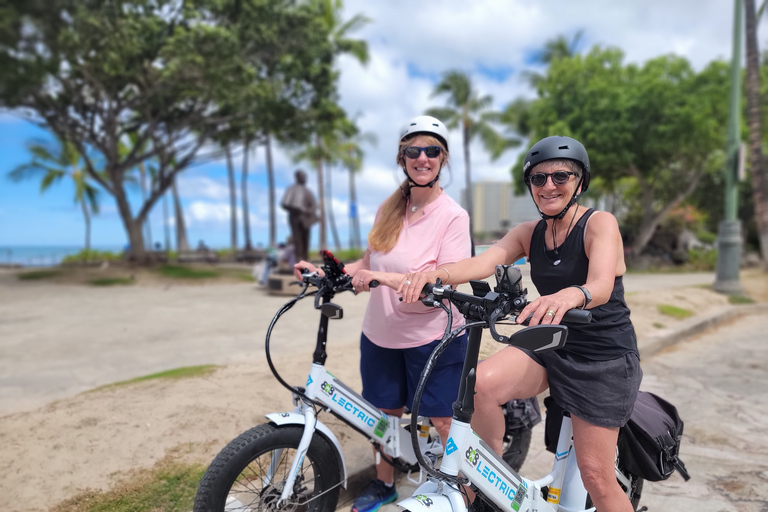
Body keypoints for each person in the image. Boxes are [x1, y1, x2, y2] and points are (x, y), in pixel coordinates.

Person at [399, 136, 642, 512]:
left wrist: (567, 295)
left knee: (596, 476)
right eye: (538, 179)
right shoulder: (530, 233)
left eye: (561, 176)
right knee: (477, 385)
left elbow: (600, 285)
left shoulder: (599, 224)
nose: (548, 186)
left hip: (603, 359)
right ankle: (487, 480)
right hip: (553, 344)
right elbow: (484, 261)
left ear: (580, 182)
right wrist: (437, 274)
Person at [293, 116, 472, 512]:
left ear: (442, 159)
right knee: (383, 417)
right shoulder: (389, 209)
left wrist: (380, 277)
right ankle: (385, 483)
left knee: (443, 422)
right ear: (402, 157)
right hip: (381, 334)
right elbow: (369, 262)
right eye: (413, 151)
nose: (422, 158)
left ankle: (461, 492)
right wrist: (329, 273)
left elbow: (447, 278)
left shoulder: (453, 216)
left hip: (433, 337)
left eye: (431, 151)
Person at [281, 169, 318, 262]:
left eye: (305, 176)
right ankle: (299, 259)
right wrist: (297, 209)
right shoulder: (291, 189)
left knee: (306, 239)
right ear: (297, 177)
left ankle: (305, 258)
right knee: (298, 240)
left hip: (306, 219)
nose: (305, 178)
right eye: (303, 176)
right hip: (295, 218)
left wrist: (309, 210)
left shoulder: (308, 191)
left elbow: (313, 204)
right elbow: (285, 203)